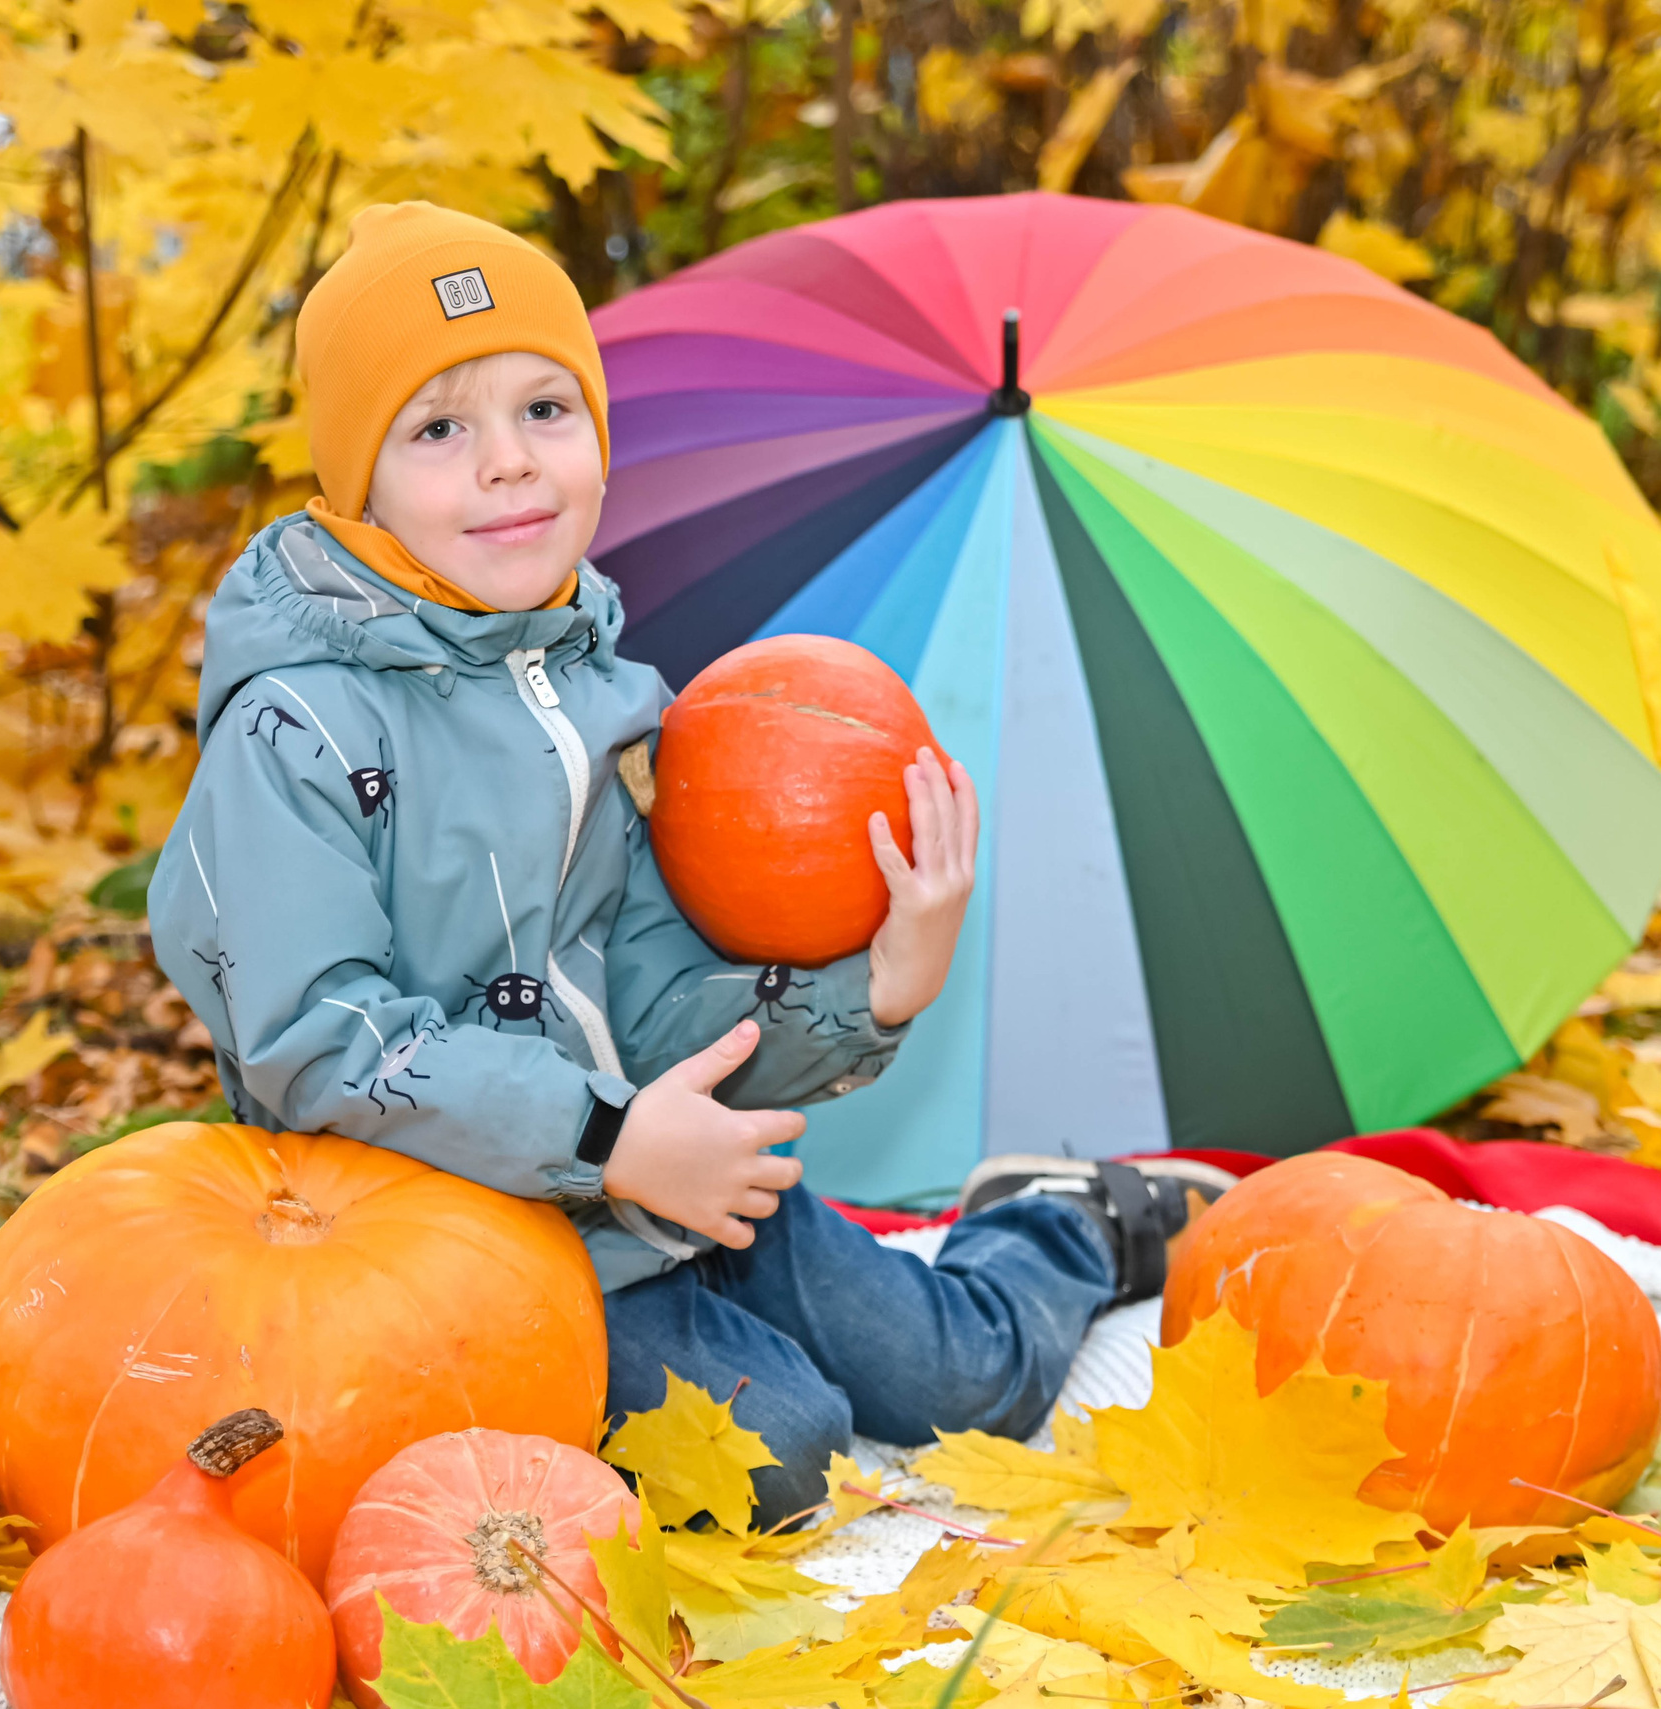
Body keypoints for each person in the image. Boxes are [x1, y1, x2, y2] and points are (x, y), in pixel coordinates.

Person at [150, 201, 1234, 1525]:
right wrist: (607, 1136)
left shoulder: (606, 700)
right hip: (462, 1236)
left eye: (545, 408)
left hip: (662, 1169)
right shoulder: (297, 730)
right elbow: (313, 1042)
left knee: (964, 1378)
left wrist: (871, 990)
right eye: (437, 429)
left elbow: (664, 996)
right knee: (777, 1452)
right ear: (354, 483)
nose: (509, 462)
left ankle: (1061, 1217)